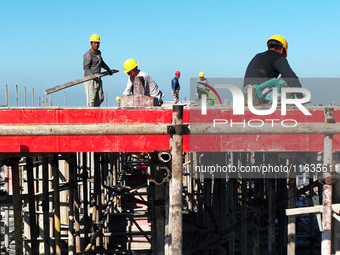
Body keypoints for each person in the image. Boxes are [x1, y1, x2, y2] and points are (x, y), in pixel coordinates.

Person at [83, 34, 113, 107]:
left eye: (98, 43)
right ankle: (90, 115)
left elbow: (101, 63)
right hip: (90, 80)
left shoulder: (99, 53)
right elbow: (86, 68)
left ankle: (96, 114)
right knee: (91, 100)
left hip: (98, 78)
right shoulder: (88, 55)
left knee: (100, 98)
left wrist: (108, 69)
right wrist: (92, 76)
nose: (96, 45)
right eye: (95, 43)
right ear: (91, 44)